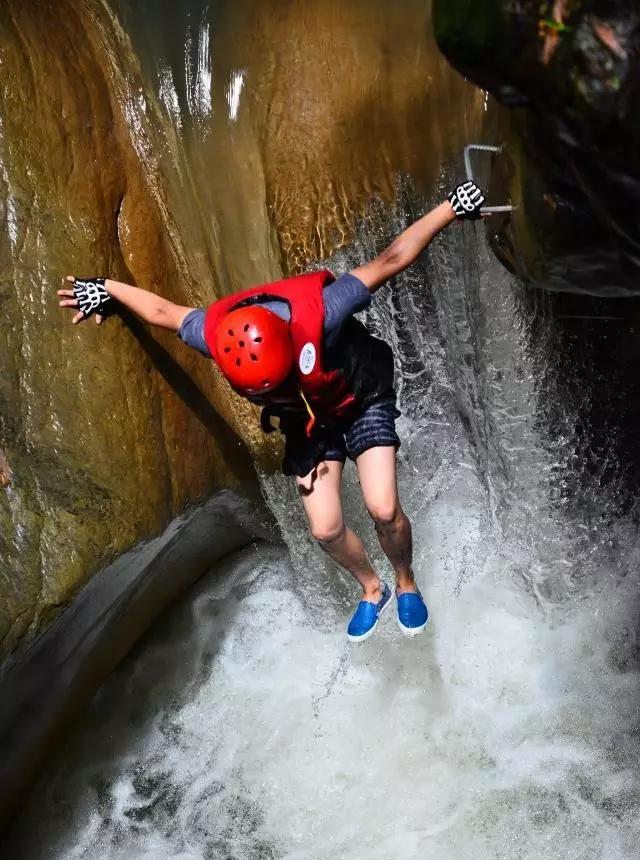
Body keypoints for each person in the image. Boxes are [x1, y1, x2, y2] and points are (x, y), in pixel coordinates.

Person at [58, 180, 485, 641]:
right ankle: (372, 590)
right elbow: (164, 312)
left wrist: (450, 208)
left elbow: (391, 259)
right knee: (325, 529)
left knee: (382, 507)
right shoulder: (213, 334)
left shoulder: (325, 308)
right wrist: (104, 289)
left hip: (359, 398)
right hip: (308, 419)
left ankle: (405, 582)